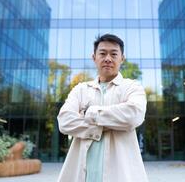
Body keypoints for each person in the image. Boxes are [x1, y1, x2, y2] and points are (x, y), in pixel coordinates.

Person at [57, 34, 148, 182]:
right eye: (102, 53)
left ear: (122, 58)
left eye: (113, 54)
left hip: (121, 175)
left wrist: (89, 112)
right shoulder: (81, 89)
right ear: (94, 57)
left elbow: (133, 116)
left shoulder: (132, 87)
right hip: (83, 175)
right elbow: (64, 121)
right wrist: (106, 125)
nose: (108, 58)